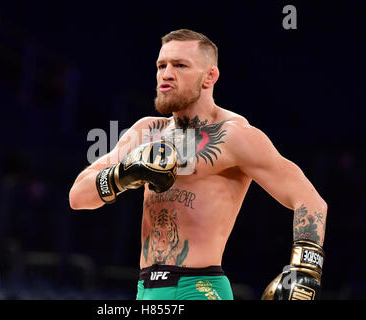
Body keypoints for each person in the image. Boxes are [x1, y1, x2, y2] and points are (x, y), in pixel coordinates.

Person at [69, 29, 327, 300]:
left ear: (210, 77)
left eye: (180, 65)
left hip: (199, 289)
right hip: (145, 290)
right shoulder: (145, 131)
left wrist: (305, 270)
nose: (166, 74)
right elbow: (77, 197)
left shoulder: (234, 135)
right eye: (161, 65)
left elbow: (309, 200)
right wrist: (122, 175)